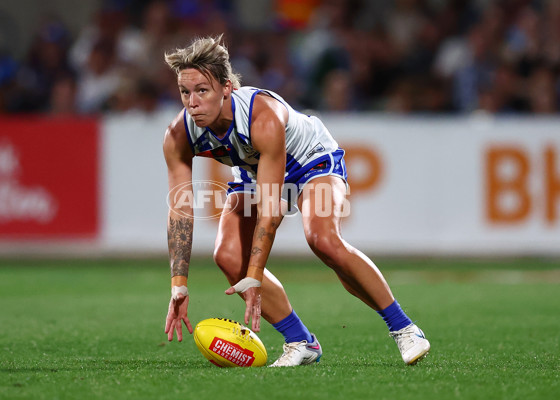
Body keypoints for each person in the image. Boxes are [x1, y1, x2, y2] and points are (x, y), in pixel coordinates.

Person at [162, 35, 430, 367]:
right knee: (229, 257)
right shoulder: (179, 135)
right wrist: (179, 285)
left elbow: (271, 209)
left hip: (310, 160)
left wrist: (256, 274)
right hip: (253, 169)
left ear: (227, 88)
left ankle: (405, 328)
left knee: (323, 240)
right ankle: (301, 341)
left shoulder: (263, 117)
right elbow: (181, 211)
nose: (192, 102)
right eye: (185, 92)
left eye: (202, 90)